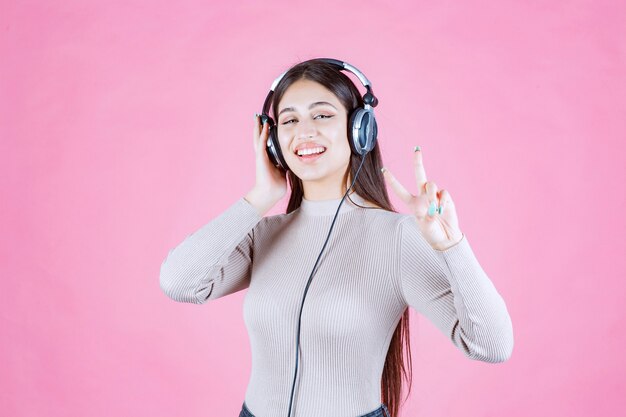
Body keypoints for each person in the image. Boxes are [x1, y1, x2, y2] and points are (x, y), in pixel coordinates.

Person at [159, 58, 514, 417]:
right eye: (290, 120)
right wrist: (260, 197)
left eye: (322, 115)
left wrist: (451, 247)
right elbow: (180, 283)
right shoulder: (262, 235)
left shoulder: (397, 239)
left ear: (360, 130)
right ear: (272, 141)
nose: (304, 131)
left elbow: (491, 346)